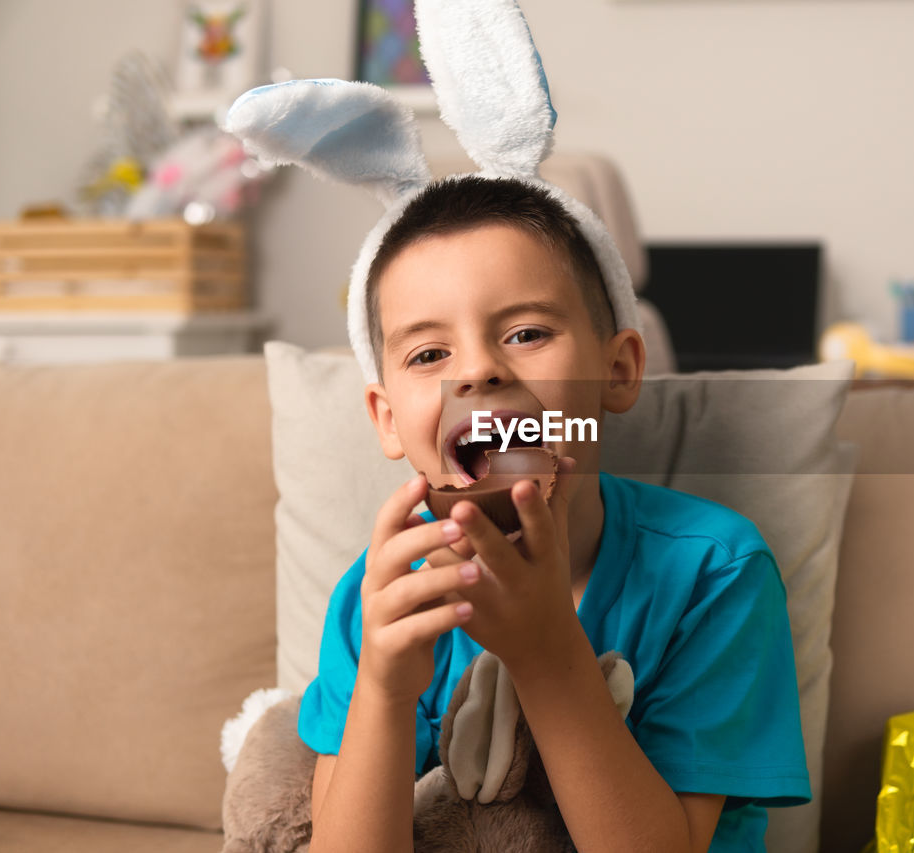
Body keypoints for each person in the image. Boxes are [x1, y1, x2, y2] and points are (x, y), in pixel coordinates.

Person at [294, 174, 810, 853]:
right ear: (389, 421)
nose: (477, 371)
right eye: (430, 353)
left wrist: (546, 652)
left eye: (526, 332)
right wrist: (386, 689)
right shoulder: (383, 594)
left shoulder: (713, 571)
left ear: (618, 369)